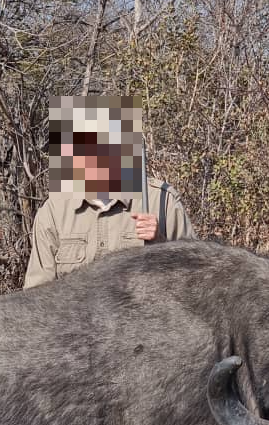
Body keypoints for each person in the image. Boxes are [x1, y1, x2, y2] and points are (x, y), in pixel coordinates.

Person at [23, 96, 195, 288]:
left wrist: (161, 245)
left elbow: (195, 283)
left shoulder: (162, 201)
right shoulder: (54, 211)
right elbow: (36, 295)